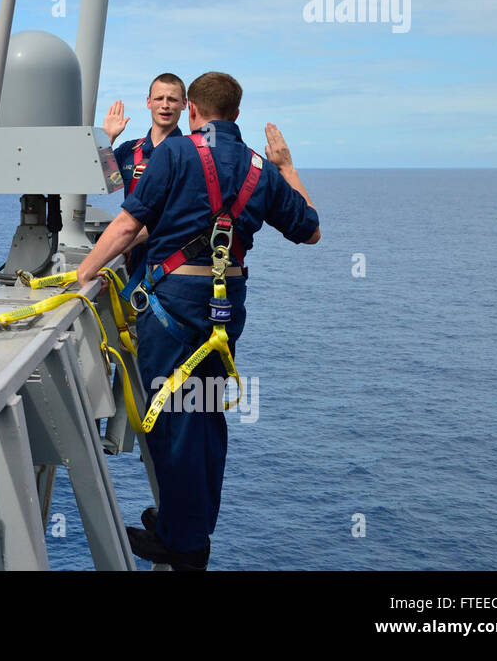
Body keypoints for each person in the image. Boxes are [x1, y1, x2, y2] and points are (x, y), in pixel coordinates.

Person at [76, 71, 320, 570]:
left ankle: (184, 542)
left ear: (192, 110)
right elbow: (311, 230)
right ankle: (189, 521)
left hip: (174, 307)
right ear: (236, 113)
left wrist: (82, 275)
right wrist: (287, 166)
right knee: (206, 415)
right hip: (227, 309)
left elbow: (126, 224)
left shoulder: (176, 153)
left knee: (173, 418)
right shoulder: (259, 167)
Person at [102, 73, 186, 281]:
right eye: (159, 98)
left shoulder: (190, 155)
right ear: (149, 102)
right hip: (132, 262)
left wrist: (120, 242)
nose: (165, 105)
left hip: (171, 265)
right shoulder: (129, 151)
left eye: (172, 99)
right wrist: (107, 139)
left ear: (184, 104)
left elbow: (176, 215)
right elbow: (102, 182)